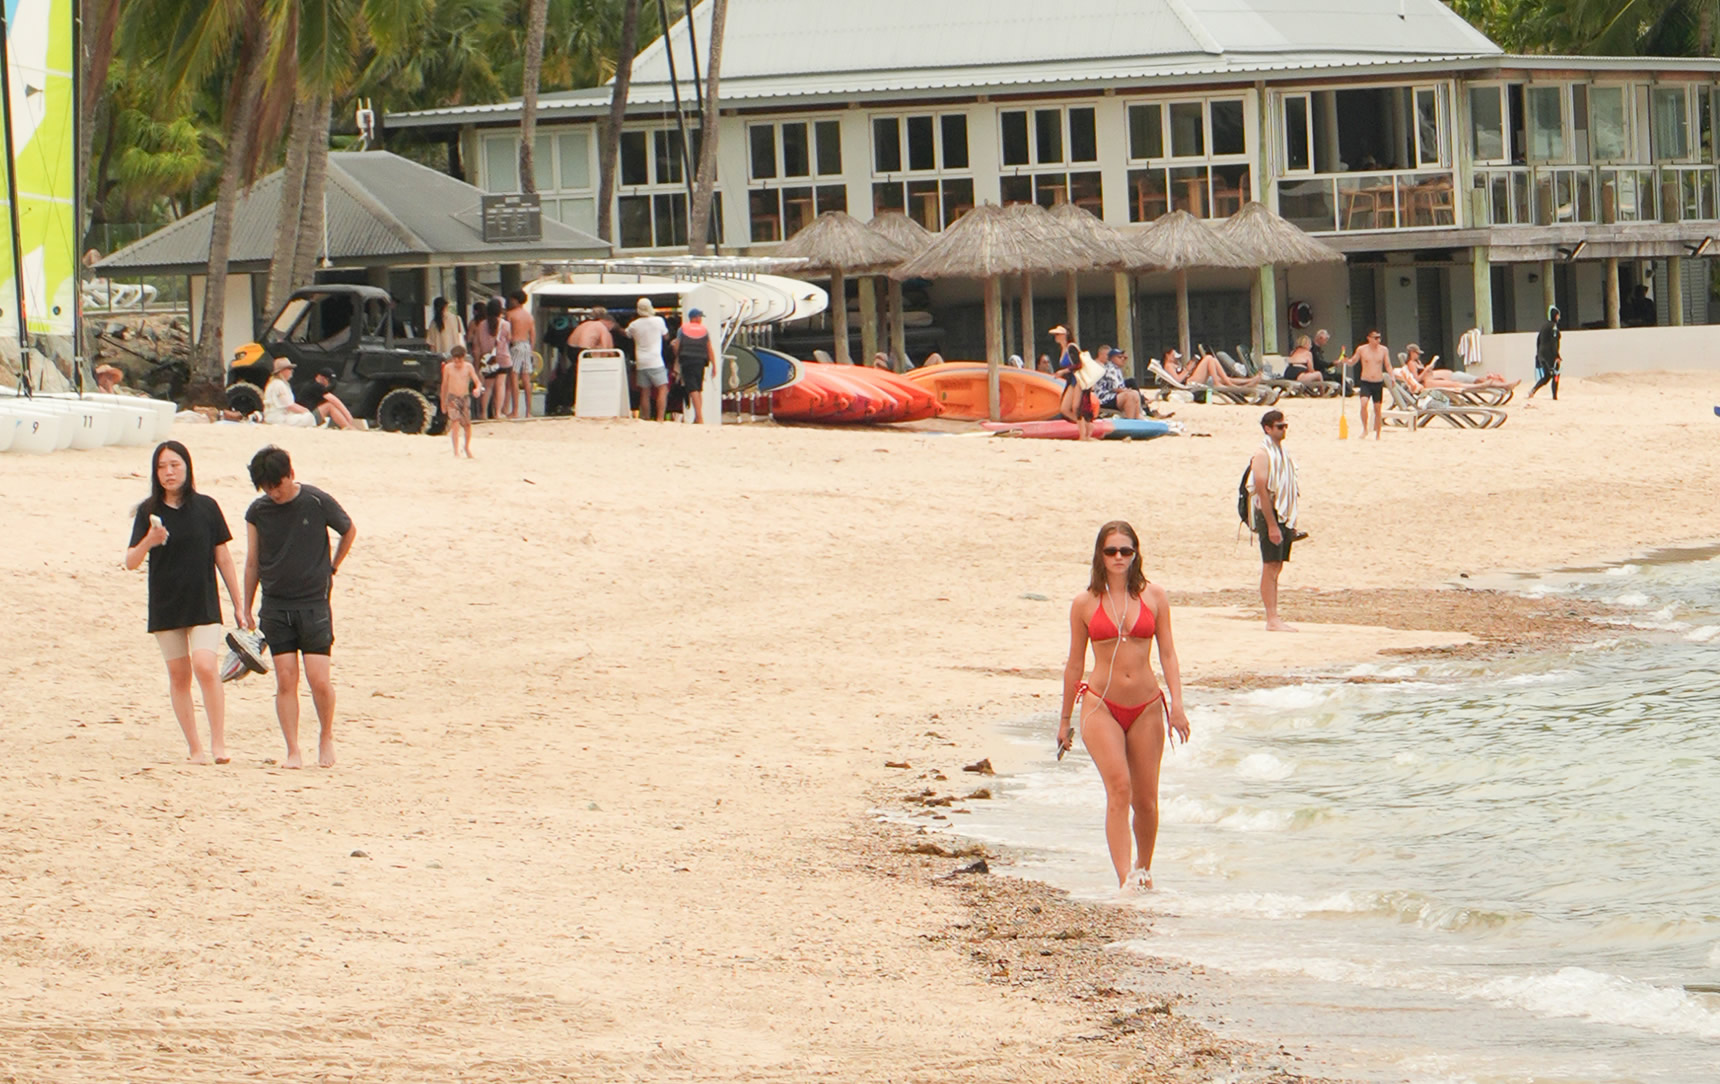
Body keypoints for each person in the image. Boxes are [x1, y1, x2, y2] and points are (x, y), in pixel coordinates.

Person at [1058, 521, 1189, 891]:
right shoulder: (1084, 604)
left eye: (1126, 551)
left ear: (1136, 554)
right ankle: (1124, 882)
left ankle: (1143, 870)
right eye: (1111, 551)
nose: (1118, 557)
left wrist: (1177, 704)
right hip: (1101, 705)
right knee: (1119, 788)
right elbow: (1073, 664)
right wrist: (1064, 719)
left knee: (1145, 800)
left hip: (1146, 706)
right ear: (1100, 555)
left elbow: (1168, 653)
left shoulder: (1155, 597)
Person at [123, 441, 247, 765]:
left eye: (174, 465)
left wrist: (239, 604)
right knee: (179, 676)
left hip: (203, 600)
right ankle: (195, 748)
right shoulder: (148, 512)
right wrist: (149, 541)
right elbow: (131, 561)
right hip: (166, 603)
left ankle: (219, 743)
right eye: (162, 467)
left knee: (206, 666)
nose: (169, 472)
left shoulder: (207, 507)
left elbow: (224, 557)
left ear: (187, 467)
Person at [244, 446, 356, 769]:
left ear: (290, 475)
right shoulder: (257, 512)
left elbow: (348, 529)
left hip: (313, 603)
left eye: (277, 485)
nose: (273, 493)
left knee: (319, 679)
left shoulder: (316, 501)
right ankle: (292, 749)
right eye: (267, 488)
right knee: (285, 679)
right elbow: (252, 561)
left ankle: (326, 736)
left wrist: (333, 567)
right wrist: (246, 607)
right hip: (275, 605)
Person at [1248, 410, 1300, 632]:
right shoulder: (1263, 453)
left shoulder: (1281, 451)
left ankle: (1274, 615)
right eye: (1279, 426)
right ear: (1268, 428)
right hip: (1270, 513)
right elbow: (1261, 488)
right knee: (1270, 566)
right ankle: (1271, 617)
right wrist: (1271, 524)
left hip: (1282, 515)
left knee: (1276, 566)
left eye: (1285, 426)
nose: (1283, 430)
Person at [626, 298, 671, 421]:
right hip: (656, 360)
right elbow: (666, 336)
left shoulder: (634, 324)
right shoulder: (658, 321)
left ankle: (645, 417)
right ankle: (660, 418)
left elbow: (627, 334)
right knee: (663, 388)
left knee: (645, 391)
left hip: (641, 362)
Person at [471, 298, 510, 420]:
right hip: (503, 358)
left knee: (487, 387)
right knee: (500, 385)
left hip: (488, 359)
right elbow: (509, 340)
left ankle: (483, 414)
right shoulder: (505, 325)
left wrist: (477, 365)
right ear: (500, 311)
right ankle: (497, 413)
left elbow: (476, 346)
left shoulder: (481, 325)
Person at [439, 344, 481, 457]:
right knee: (455, 422)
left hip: (465, 397)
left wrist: (477, 389)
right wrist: (443, 402)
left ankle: (466, 447)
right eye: (455, 361)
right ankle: (456, 451)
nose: (457, 364)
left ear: (464, 358)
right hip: (452, 398)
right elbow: (444, 386)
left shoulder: (468, 367)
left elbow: (477, 381)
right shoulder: (448, 368)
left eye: (460, 361)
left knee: (467, 425)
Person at [674, 308, 712, 424]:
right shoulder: (704, 330)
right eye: (700, 317)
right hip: (701, 361)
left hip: (687, 360)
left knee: (692, 388)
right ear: (694, 318)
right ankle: (698, 416)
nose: (700, 319)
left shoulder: (683, 329)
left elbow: (677, 345)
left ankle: (699, 417)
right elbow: (709, 348)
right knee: (698, 388)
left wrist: (676, 355)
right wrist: (714, 364)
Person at [1352, 329, 1391, 439]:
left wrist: (1392, 376)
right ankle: (1365, 429)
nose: (1378, 340)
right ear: (1369, 338)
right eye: (1375, 338)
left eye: (1379, 337)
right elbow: (1353, 361)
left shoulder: (1383, 350)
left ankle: (1378, 433)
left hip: (1378, 382)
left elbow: (1388, 365)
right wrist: (1346, 361)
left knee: (1377, 409)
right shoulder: (1362, 349)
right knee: (1363, 403)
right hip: (1365, 381)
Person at [505, 289, 536, 418]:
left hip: (516, 345)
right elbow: (533, 334)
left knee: (514, 378)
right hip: (526, 345)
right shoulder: (529, 316)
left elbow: (507, 333)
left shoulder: (510, 314)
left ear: (516, 300)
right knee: (526, 379)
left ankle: (515, 411)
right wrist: (531, 350)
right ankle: (529, 411)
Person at [263, 359, 318, 426]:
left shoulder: (272, 383)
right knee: (309, 417)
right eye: (289, 369)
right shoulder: (280, 385)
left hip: (271, 417)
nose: (291, 371)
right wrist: (306, 411)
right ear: (282, 371)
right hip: (279, 418)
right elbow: (289, 405)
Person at [1528, 306, 1562, 402]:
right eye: (1558, 315)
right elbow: (1553, 343)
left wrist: (1538, 355)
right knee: (1556, 373)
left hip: (1542, 355)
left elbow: (1538, 341)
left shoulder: (1543, 326)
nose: (1559, 317)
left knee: (1547, 376)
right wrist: (1557, 356)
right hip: (1549, 355)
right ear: (1555, 316)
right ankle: (1554, 396)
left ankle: (1533, 390)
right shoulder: (1553, 327)